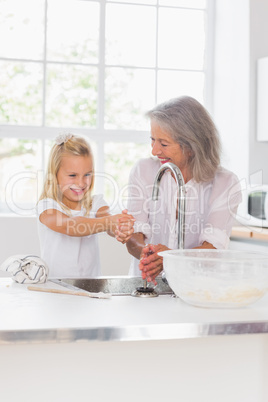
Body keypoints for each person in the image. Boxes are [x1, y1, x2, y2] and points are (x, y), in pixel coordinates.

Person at [126, 96, 242, 283]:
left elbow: (212, 249)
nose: (154, 150)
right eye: (152, 140)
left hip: (197, 285)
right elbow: (133, 236)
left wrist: (170, 259)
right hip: (147, 284)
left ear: (191, 147)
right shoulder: (144, 171)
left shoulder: (225, 183)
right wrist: (149, 256)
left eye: (163, 143)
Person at [37, 133, 134, 278]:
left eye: (87, 174)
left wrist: (120, 228)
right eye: (72, 176)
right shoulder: (47, 206)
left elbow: (109, 222)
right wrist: (109, 222)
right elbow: (70, 226)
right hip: (55, 289)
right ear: (55, 173)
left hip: (90, 288)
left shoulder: (96, 203)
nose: (81, 183)